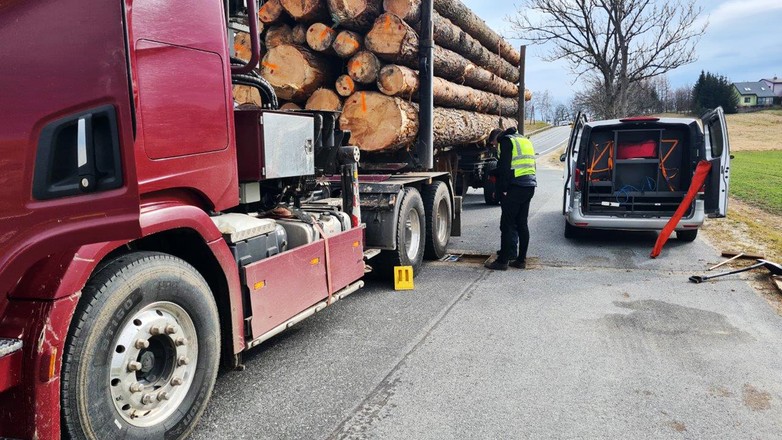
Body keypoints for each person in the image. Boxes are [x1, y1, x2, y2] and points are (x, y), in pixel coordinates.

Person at [485, 126, 537, 270]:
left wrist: (504, 190)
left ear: (496, 138)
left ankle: (502, 262)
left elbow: (505, 169)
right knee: (522, 224)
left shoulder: (506, 141)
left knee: (507, 224)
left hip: (515, 187)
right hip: (529, 184)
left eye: (494, 144)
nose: (495, 147)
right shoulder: (523, 140)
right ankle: (521, 260)